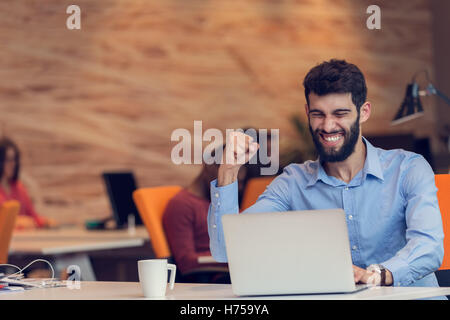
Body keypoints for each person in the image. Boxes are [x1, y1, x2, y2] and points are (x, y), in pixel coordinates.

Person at [207, 59, 445, 293]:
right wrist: (228, 171)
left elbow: (429, 247)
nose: (328, 126)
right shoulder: (292, 183)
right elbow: (226, 251)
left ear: (364, 112)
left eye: (340, 113)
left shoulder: (408, 168)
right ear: (307, 113)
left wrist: (375, 275)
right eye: (318, 114)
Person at [163, 145, 245, 281]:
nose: (237, 187)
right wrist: (230, 257)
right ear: (212, 168)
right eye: (232, 178)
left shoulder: (220, 203)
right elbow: (186, 262)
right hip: (212, 277)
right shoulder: (182, 205)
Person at [0, 137, 53, 229]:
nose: (13, 164)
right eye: (8, 159)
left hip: (25, 240)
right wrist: (16, 222)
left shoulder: (19, 188)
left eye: (15, 159)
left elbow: (33, 216)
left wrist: (45, 222)